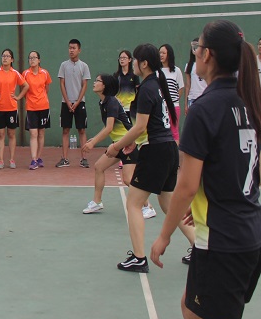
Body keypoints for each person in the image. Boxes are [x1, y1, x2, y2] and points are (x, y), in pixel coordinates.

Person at [150, 21, 261, 319]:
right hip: (244, 231)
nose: (195, 52)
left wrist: (164, 236)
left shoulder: (205, 108)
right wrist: (206, 200)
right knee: (190, 307)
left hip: (223, 243)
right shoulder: (249, 102)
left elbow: (185, 186)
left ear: (208, 55)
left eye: (197, 46)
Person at [106, 44, 195, 273]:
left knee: (133, 203)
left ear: (143, 64)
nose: (133, 63)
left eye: (135, 59)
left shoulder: (147, 88)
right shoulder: (157, 84)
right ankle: (200, 247)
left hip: (155, 151)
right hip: (168, 148)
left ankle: (139, 258)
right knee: (168, 203)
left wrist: (116, 146)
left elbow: (140, 126)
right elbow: (153, 124)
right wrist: (134, 142)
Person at [81, 73, 136, 213]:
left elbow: (109, 128)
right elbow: (107, 126)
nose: (94, 83)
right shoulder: (103, 102)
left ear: (104, 86)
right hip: (118, 144)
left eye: (97, 81)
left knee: (128, 179)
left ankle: (148, 206)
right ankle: (97, 202)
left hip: (128, 143)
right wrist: (94, 139)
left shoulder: (111, 102)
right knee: (99, 167)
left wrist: (93, 143)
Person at [0, 48, 28, 169]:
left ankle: (11, 159)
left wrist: (18, 97)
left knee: (11, 134)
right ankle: (1, 160)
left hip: (11, 108)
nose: (5, 58)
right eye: (3, 56)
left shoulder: (15, 73)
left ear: (12, 60)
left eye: (7, 56)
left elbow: (26, 86)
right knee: (0, 134)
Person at [57, 39, 91, 168]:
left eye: (74, 48)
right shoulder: (63, 65)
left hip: (80, 103)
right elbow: (62, 84)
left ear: (79, 50)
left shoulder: (84, 66)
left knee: (81, 130)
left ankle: (84, 158)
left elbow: (84, 85)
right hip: (65, 103)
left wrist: (77, 102)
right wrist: (67, 101)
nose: (71, 50)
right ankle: (65, 159)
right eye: (70, 48)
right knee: (65, 130)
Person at [22, 51, 51, 170]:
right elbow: (24, 89)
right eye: (30, 58)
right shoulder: (25, 74)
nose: (32, 60)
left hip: (44, 107)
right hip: (31, 108)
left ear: (39, 60)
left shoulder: (45, 73)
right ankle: (33, 159)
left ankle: (39, 157)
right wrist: (31, 100)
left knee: (41, 133)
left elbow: (47, 88)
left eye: (34, 58)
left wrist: (41, 98)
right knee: (33, 133)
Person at [159, 43, 185, 142]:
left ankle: (175, 151)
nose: (161, 55)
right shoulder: (157, 71)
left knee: (174, 133)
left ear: (169, 54)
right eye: (160, 53)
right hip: (161, 107)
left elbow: (181, 88)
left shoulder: (176, 70)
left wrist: (173, 101)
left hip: (174, 106)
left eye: (163, 53)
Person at [184, 38, 207, 112]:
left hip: (204, 96)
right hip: (192, 98)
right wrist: (186, 103)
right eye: (194, 47)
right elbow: (188, 85)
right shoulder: (189, 65)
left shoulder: (206, 64)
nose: (196, 49)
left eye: (198, 46)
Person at [115, 50, 140, 114]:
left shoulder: (134, 75)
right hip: (118, 108)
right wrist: (117, 99)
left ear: (130, 60)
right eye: (120, 58)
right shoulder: (116, 75)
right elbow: (112, 91)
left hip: (131, 108)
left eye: (124, 58)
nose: (122, 60)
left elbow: (138, 90)